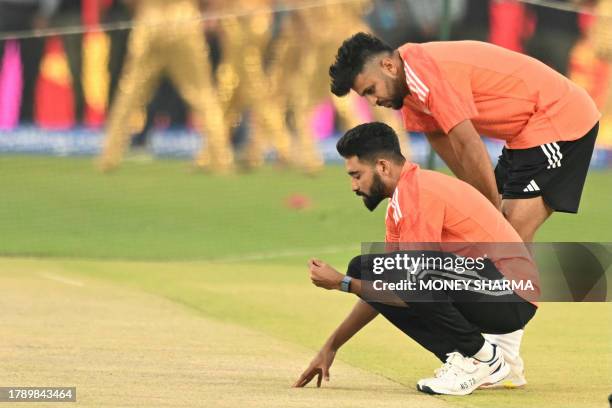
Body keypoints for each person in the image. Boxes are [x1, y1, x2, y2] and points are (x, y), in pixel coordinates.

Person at [294, 122, 538, 396]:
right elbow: (388, 289)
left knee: (377, 273)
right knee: (367, 270)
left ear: (383, 167)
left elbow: (413, 285)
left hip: (510, 297)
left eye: (356, 175)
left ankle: (481, 359)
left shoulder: (418, 194)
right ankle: (494, 360)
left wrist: (344, 283)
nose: (353, 186)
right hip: (499, 293)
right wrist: (331, 346)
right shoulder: (402, 198)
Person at [329, 32, 600, 242]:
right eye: (366, 96)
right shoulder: (406, 90)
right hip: (524, 133)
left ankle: (504, 310)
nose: (374, 101)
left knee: (505, 239)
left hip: (559, 117)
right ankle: (497, 307)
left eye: (371, 90)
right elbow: (440, 138)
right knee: (492, 236)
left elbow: (469, 143)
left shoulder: (424, 72)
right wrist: (478, 204)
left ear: (388, 66)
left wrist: (489, 212)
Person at [98, 0, 234, 173]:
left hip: (150, 20)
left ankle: (109, 156)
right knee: (203, 95)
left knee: (129, 92)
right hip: (184, 21)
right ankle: (220, 157)